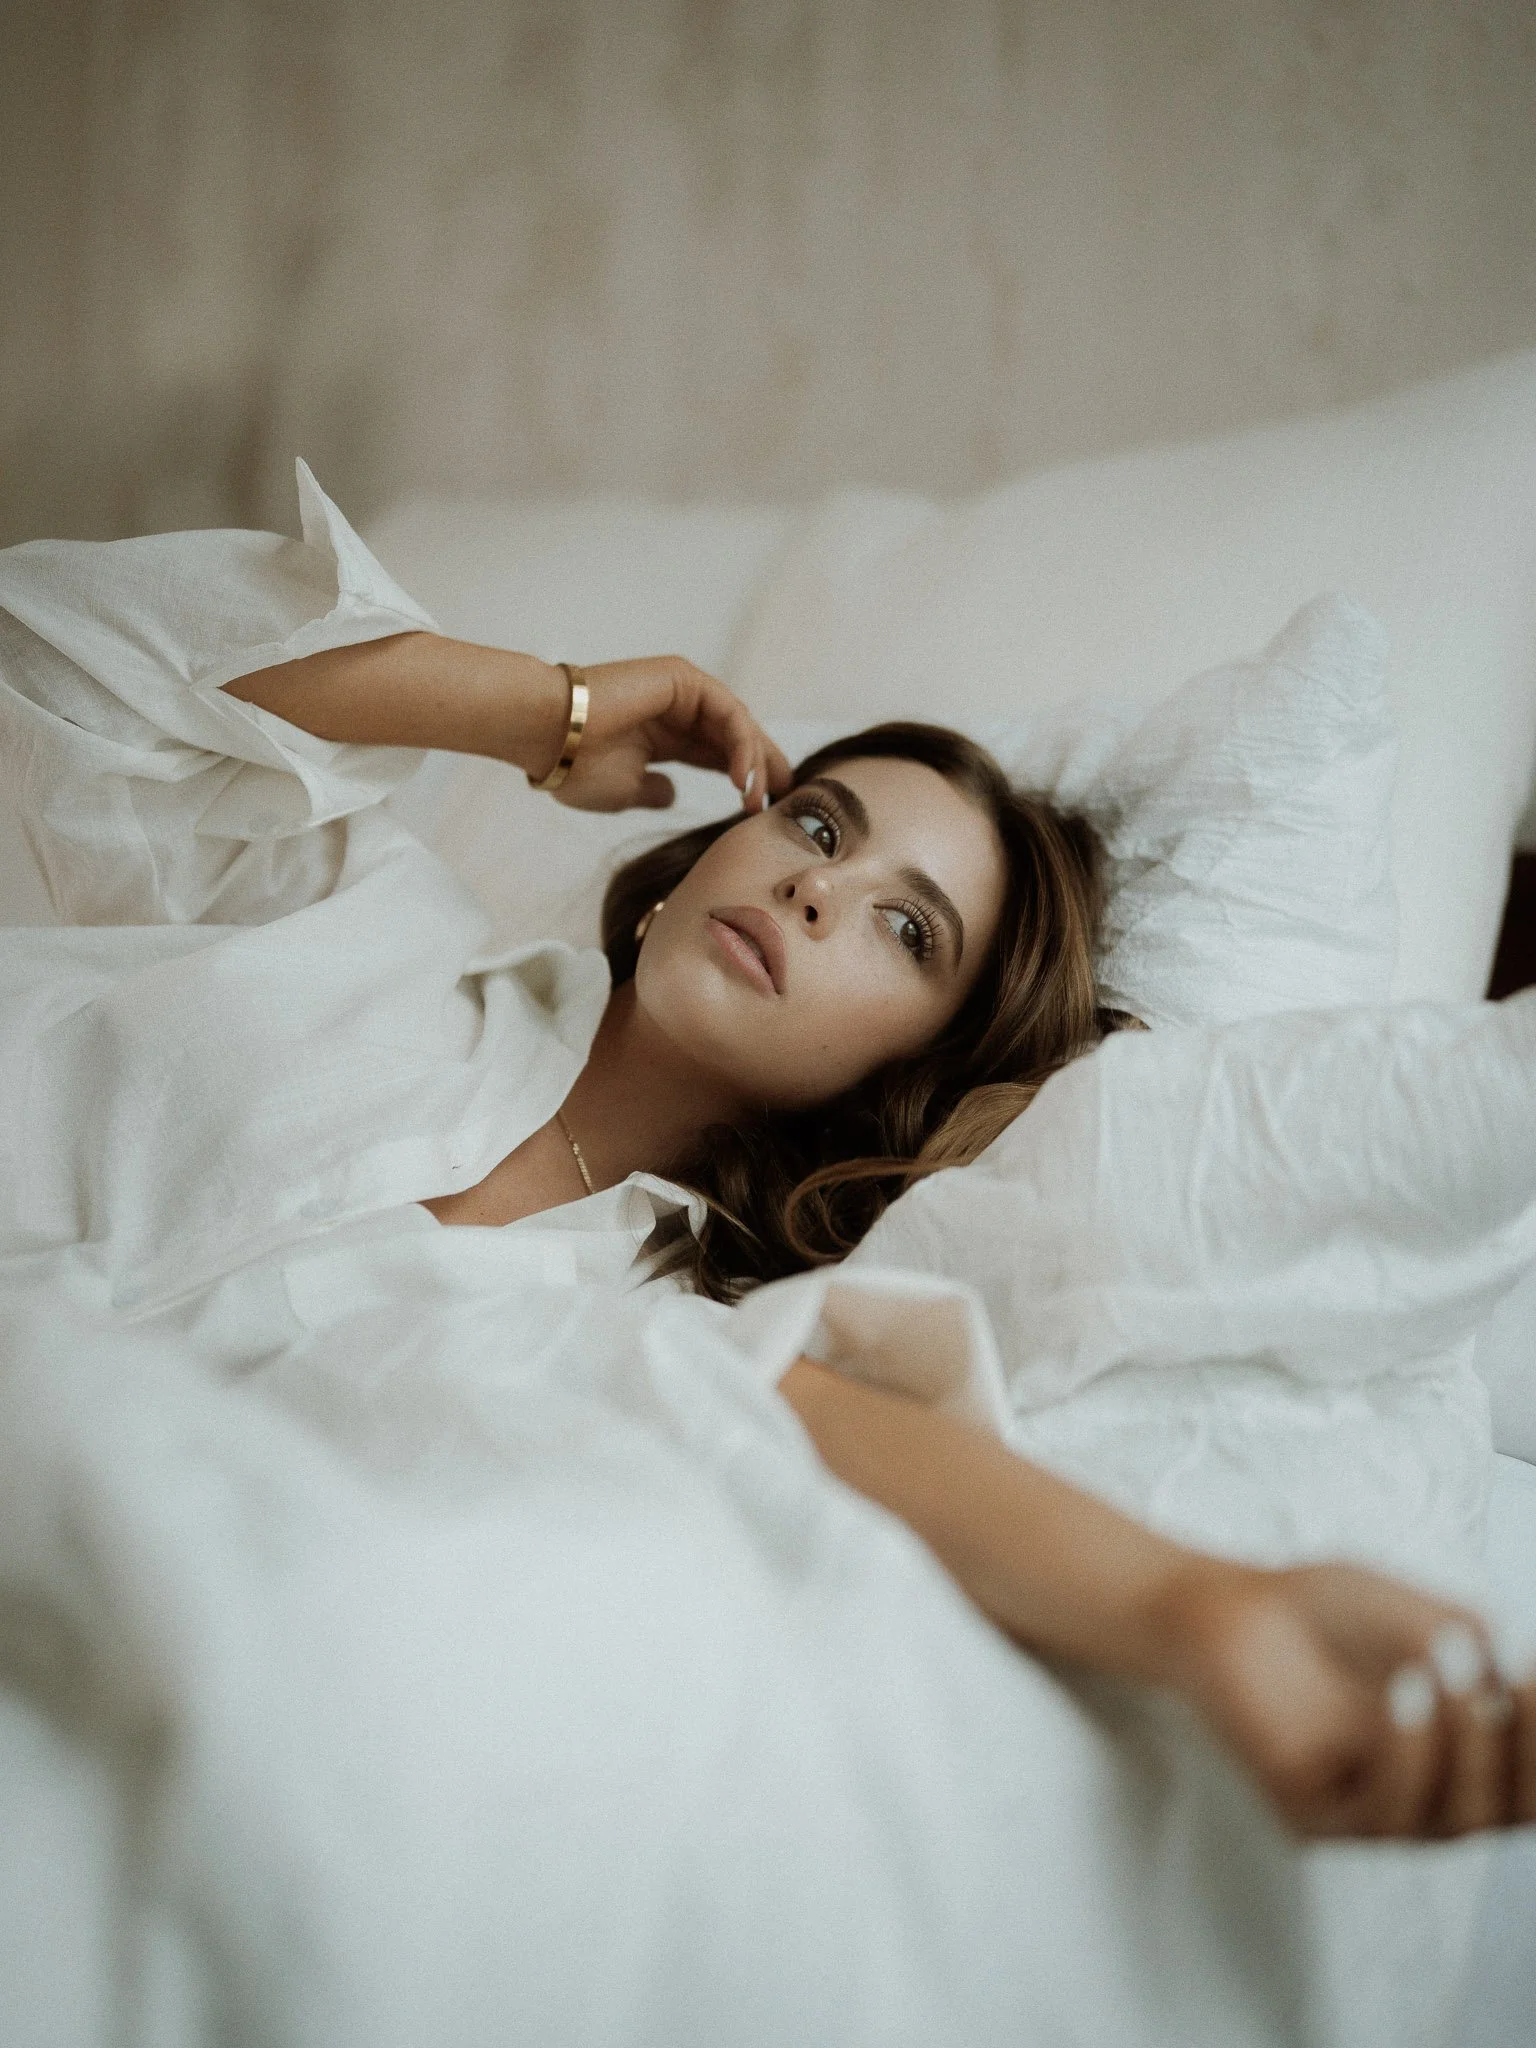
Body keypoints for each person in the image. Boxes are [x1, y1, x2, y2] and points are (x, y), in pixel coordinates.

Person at [3, 482, 1532, 1854]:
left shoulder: (676, 1307)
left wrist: (1211, 1612)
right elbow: (54, 644)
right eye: (818, 820)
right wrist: (553, 707)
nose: (817, 883)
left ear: (907, 1070)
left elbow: (837, 1430)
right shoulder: (349, 912)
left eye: (904, 926)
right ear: (701, 854)